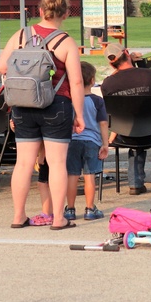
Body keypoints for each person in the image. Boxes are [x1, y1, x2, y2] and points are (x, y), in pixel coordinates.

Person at [0, 0, 85, 230]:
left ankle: (18, 215)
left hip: (23, 105)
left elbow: (1, 66)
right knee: (57, 164)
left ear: (40, 11)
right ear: (66, 14)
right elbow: (76, 82)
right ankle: (58, 218)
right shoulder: (65, 42)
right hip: (56, 104)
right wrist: (79, 114)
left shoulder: (20, 35)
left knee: (23, 164)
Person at [100, 42, 151, 195]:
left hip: (125, 133)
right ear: (127, 52)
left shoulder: (107, 83)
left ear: (111, 63)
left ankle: (135, 184)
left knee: (136, 132)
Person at [63, 62, 108, 221]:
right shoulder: (97, 101)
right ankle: (90, 208)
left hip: (73, 140)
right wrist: (105, 143)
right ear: (92, 80)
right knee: (90, 176)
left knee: (72, 175)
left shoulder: (69, 101)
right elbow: (103, 123)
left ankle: (70, 209)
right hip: (92, 141)